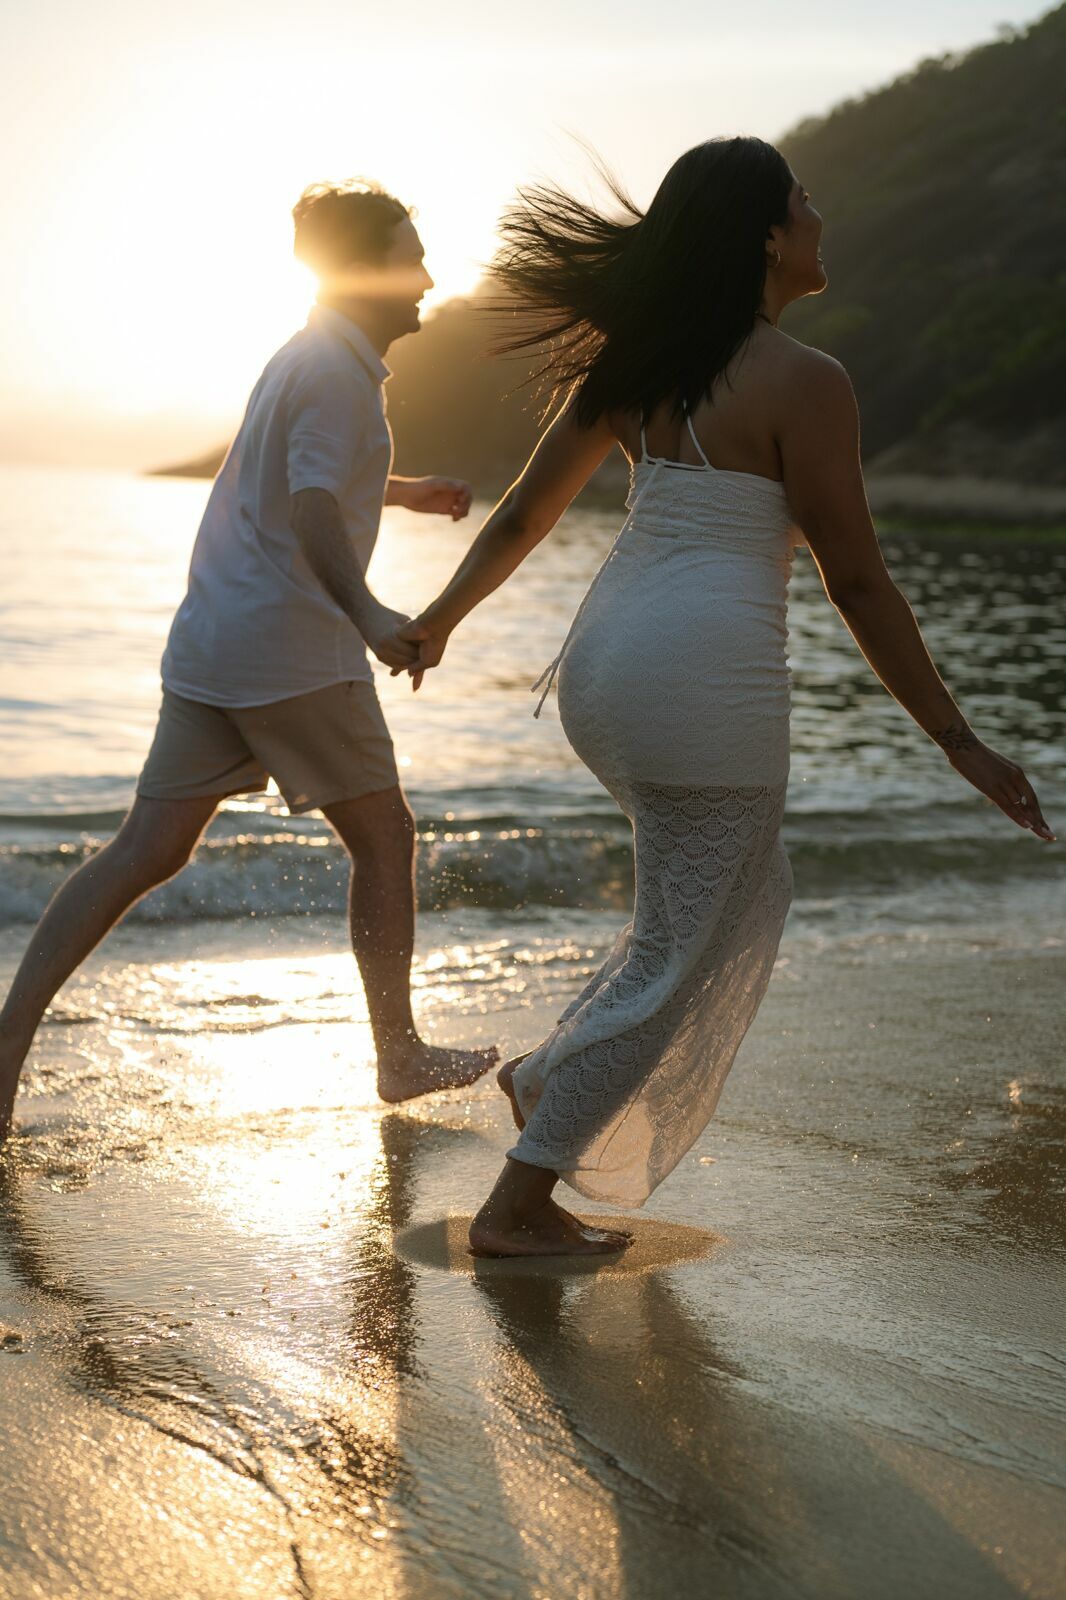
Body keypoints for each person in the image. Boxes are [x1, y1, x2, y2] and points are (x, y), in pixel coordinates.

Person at [393, 137, 1055, 1258]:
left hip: (606, 671)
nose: (818, 215)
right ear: (762, 236)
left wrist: (439, 621)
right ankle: (519, 1198)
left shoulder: (639, 363)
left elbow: (519, 516)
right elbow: (854, 577)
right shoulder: (807, 381)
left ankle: (551, 1079)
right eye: (803, 200)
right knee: (683, 948)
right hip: (703, 684)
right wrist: (959, 740)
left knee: (728, 904)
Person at [0, 180, 497, 1142]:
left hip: (216, 643)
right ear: (363, 271)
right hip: (292, 649)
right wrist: (371, 615)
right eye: (410, 253)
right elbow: (310, 509)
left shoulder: (309, 359)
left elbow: (302, 479)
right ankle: (398, 1052)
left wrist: (398, 491)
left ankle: (7, 1040)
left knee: (147, 850)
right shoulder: (335, 374)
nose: (429, 275)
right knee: (385, 836)